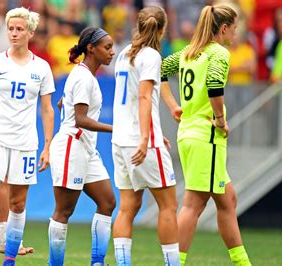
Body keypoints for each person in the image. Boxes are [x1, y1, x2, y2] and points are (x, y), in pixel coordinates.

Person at [161, 5, 252, 266]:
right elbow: (214, 86)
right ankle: (174, 262)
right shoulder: (218, 53)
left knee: (228, 199)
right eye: (234, 29)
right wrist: (221, 121)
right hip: (206, 135)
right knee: (193, 204)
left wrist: (173, 106)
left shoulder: (189, 53)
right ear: (223, 29)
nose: (235, 34)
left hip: (189, 132)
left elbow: (161, 70)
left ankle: (242, 262)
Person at [0, 7, 55, 266]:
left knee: (18, 204)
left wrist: (47, 146)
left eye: (20, 29)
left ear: (30, 32)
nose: (14, 33)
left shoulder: (41, 67)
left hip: (25, 144)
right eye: (11, 28)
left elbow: (46, 109)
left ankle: (9, 259)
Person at [111, 6, 181, 266]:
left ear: (137, 26)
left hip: (119, 141)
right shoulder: (151, 55)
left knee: (127, 207)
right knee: (168, 206)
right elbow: (142, 96)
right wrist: (146, 137)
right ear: (162, 30)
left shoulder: (125, 53)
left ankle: (122, 263)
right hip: (141, 141)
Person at [48, 26, 116, 266]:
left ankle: (97, 262)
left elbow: (63, 105)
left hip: (85, 149)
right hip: (71, 146)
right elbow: (80, 119)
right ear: (91, 48)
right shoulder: (83, 76)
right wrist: (115, 129)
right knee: (64, 211)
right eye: (107, 47)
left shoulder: (84, 75)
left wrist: (65, 105)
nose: (112, 52)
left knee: (108, 202)